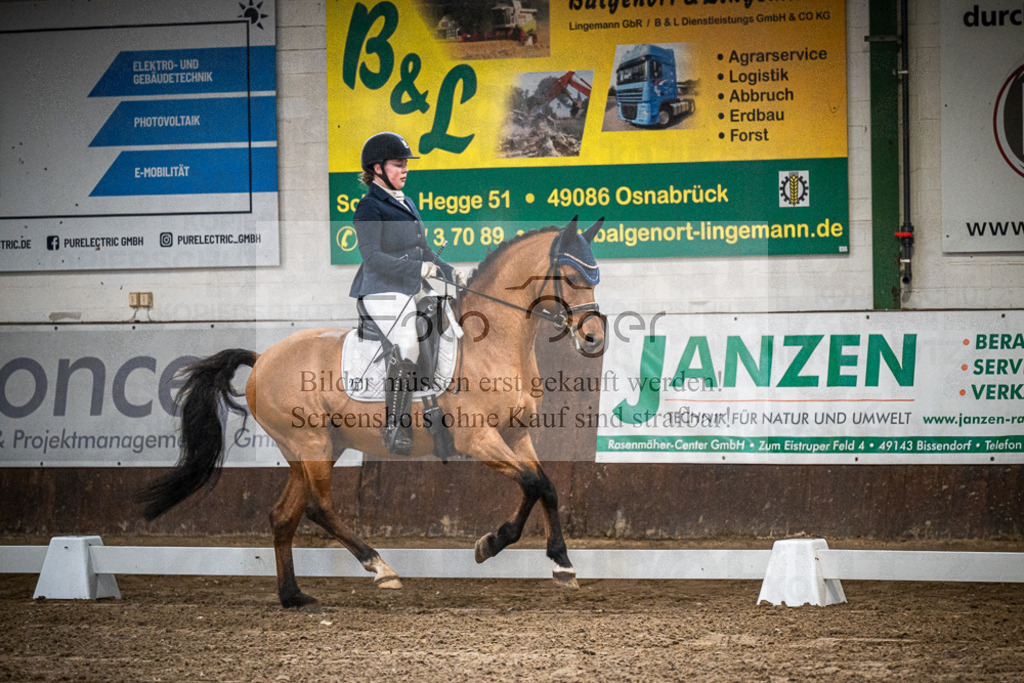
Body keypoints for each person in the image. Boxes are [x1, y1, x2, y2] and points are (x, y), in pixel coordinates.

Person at [349, 131, 463, 456]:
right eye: (399, 164)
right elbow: (372, 258)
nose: (405, 169)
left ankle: (435, 408)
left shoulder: (406, 202)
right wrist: (416, 270)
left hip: (410, 286)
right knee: (408, 341)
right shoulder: (369, 207)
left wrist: (453, 273)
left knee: (452, 326)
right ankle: (395, 425)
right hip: (380, 289)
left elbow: (424, 249)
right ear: (378, 168)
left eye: (405, 164)